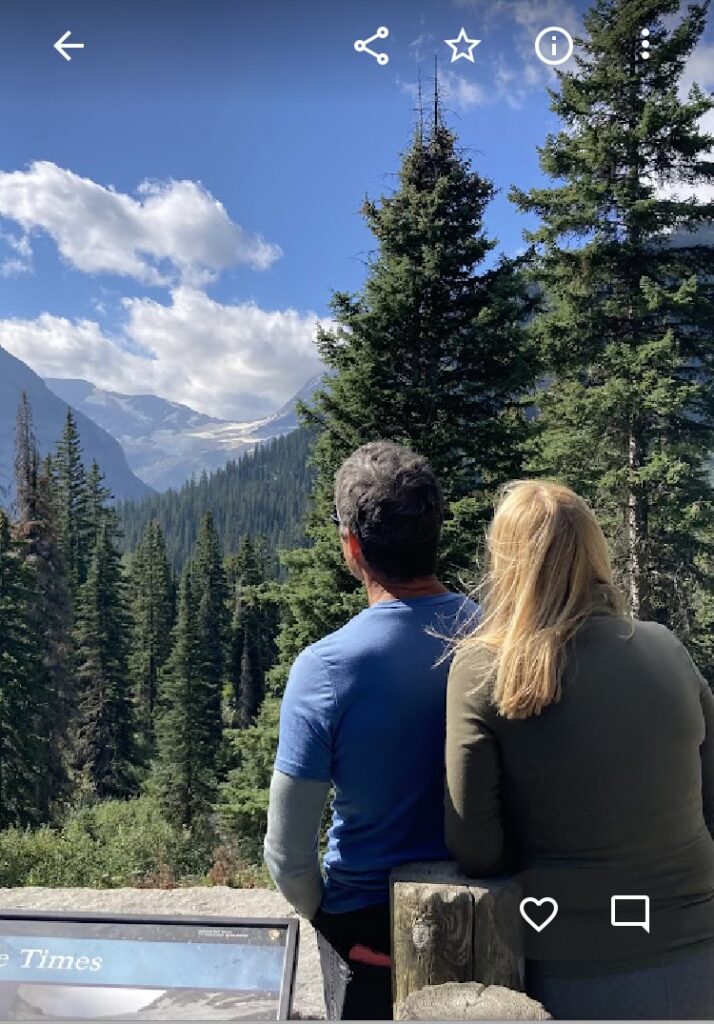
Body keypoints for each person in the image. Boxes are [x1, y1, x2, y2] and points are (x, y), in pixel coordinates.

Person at [445, 479, 714, 1020]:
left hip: (570, 968)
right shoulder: (667, 648)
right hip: (700, 952)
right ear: (595, 551)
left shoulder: (484, 670)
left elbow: (476, 846)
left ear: (506, 565)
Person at [265, 440, 476, 1021]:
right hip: (490, 911)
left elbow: (287, 854)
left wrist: (325, 917)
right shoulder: (500, 636)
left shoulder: (327, 668)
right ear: (435, 531)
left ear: (352, 547)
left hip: (368, 926)